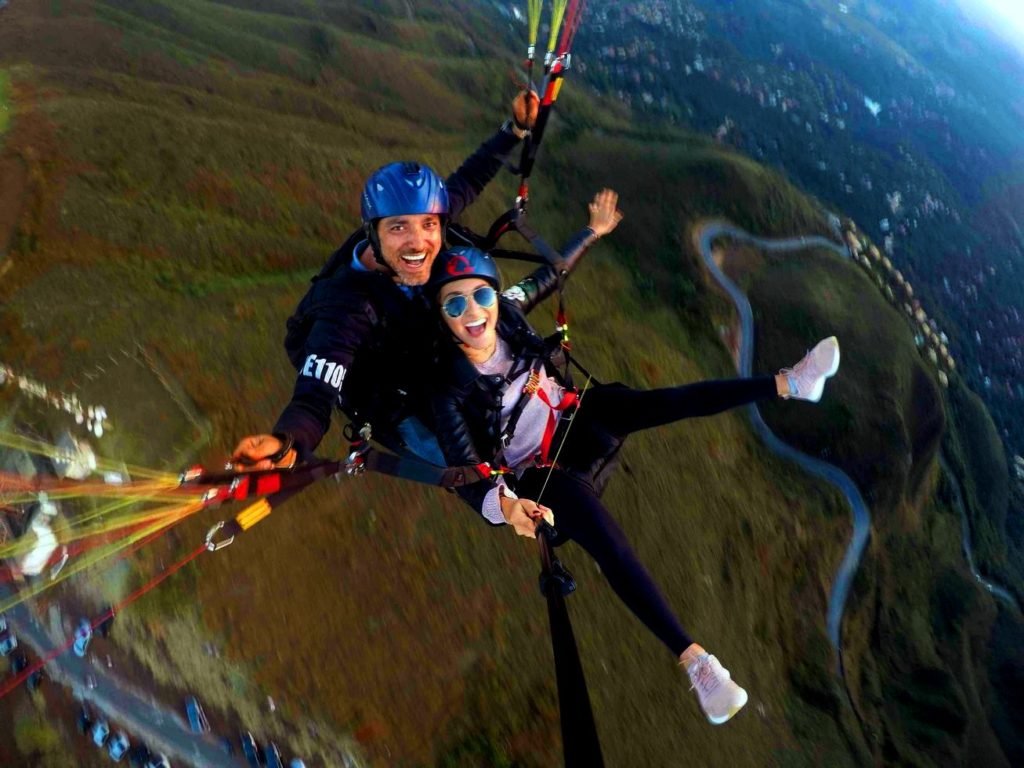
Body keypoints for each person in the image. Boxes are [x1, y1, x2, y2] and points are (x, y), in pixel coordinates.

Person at [428, 189, 841, 725]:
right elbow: (464, 471)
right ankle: (698, 664)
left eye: (479, 296)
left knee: (654, 403)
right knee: (604, 537)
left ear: (493, 294)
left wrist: (593, 232)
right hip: (537, 472)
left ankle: (789, 383)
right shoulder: (448, 390)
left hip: (574, 418)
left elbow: (551, 275)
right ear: (442, 318)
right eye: (454, 304)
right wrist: (505, 507)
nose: (473, 313)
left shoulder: (506, 315)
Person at [231, 91, 539, 470]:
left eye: (429, 225)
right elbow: (315, 393)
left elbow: (469, 178)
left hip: (415, 338)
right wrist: (287, 442)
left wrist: (515, 129)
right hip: (380, 384)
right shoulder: (347, 306)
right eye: (398, 228)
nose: (418, 242)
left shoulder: (428, 223)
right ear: (374, 234)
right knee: (457, 461)